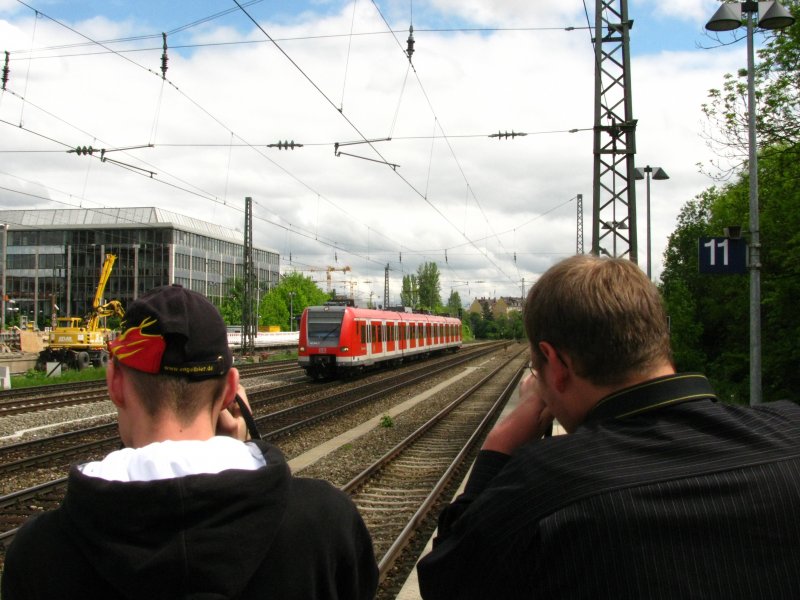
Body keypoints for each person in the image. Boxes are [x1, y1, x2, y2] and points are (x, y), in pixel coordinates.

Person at [417, 255, 800, 599]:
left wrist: (499, 447)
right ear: (660, 340)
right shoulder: (790, 431)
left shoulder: (542, 488)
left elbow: (446, 580)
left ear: (556, 363)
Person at [2, 284, 378, 600]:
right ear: (231, 389)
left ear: (115, 383)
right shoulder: (326, 525)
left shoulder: (39, 553)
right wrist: (246, 448)